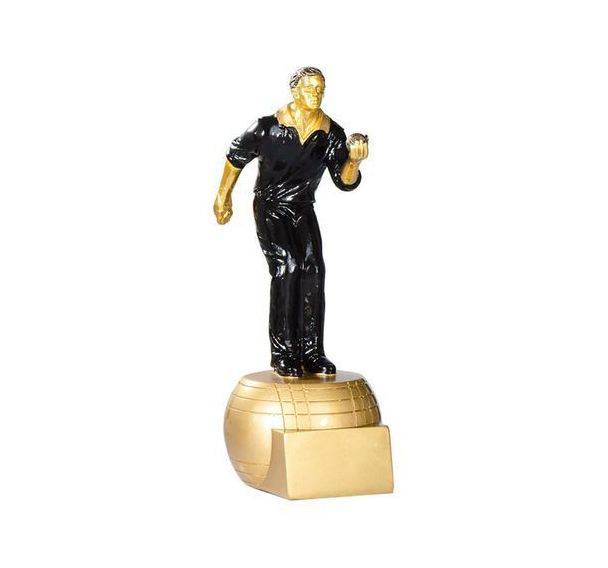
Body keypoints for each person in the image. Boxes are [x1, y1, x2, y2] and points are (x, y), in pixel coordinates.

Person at [213, 67, 369, 377]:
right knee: (288, 267)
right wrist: (222, 196)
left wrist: (353, 160)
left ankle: (311, 353)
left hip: (303, 207)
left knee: (313, 270)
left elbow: (345, 181)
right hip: (270, 206)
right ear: (295, 91)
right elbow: (235, 156)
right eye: (310, 88)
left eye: (320, 89)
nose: (316, 94)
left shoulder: (330, 133)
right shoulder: (268, 127)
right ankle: (284, 353)